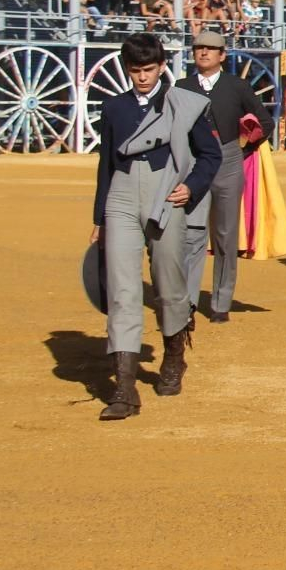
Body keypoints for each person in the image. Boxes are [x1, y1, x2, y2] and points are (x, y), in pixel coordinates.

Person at [90, 32, 222, 421]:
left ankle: (174, 357)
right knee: (122, 290)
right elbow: (106, 166)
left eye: (149, 69)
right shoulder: (114, 107)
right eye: (135, 70)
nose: (142, 77)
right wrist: (99, 218)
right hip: (122, 194)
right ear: (127, 69)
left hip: (167, 192)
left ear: (162, 66)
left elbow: (210, 156)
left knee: (168, 285)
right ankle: (125, 389)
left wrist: (191, 187)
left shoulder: (184, 103)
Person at [178, 30, 273, 323]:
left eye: (210, 49)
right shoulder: (181, 87)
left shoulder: (237, 86)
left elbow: (265, 122)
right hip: (194, 160)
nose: (203, 52)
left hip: (229, 157)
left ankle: (220, 302)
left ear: (222, 56)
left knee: (225, 234)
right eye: (199, 48)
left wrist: (244, 148)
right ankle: (187, 303)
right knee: (192, 233)